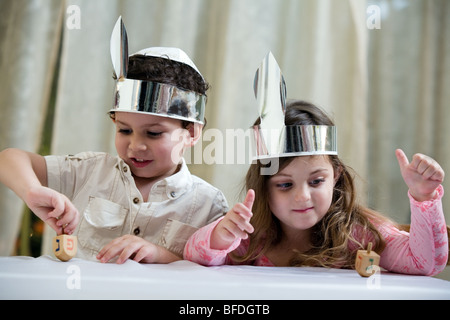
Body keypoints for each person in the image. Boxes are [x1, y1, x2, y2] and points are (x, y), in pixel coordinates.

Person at [0, 19, 228, 264]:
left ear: (191, 133)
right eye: (125, 130)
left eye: (153, 133)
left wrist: (160, 256)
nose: (136, 145)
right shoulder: (87, 172)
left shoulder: (210, 206)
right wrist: (32, 190)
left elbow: (216, 276)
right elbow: (10, 158)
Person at [184, 100, 448, 276]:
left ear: (336, 176)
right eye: (285, 184)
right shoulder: (250, 239)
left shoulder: (358, 234)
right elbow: (194, 256)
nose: (302, 196)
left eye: (316, 181)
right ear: (264, 188)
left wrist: (423, 197)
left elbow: (425, 263)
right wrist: (219, 236)